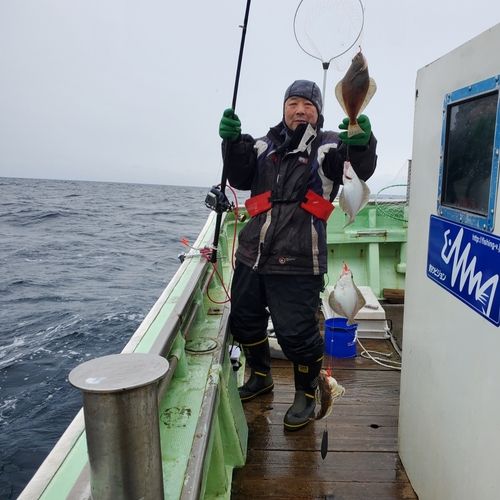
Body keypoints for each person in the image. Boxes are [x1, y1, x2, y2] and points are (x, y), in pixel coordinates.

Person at [218, 80, 377, 431]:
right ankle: (260, 375)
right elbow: (240, 174)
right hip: (251, 253)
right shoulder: (263, 144)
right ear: (284, 108)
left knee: (297, 335)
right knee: (244, 319)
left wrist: (362, 143)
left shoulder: (329, 146)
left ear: (318, 112)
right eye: (293, 103)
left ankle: (307, 392)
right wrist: (231, 143)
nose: (300, 110)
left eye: (308, 104)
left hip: (300, 257)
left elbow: (356, 169)